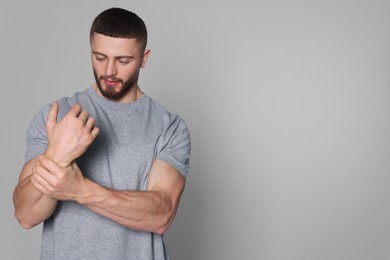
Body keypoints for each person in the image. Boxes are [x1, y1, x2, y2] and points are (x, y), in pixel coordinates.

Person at [13, 7, 191, 260]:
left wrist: (80, 190)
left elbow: (161, 215)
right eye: (100, 57)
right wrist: (57, 155)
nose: (109, 71)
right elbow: (26, 215)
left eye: (123, 60)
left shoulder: (169, 126)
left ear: (144, 58)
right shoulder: (56, 115)